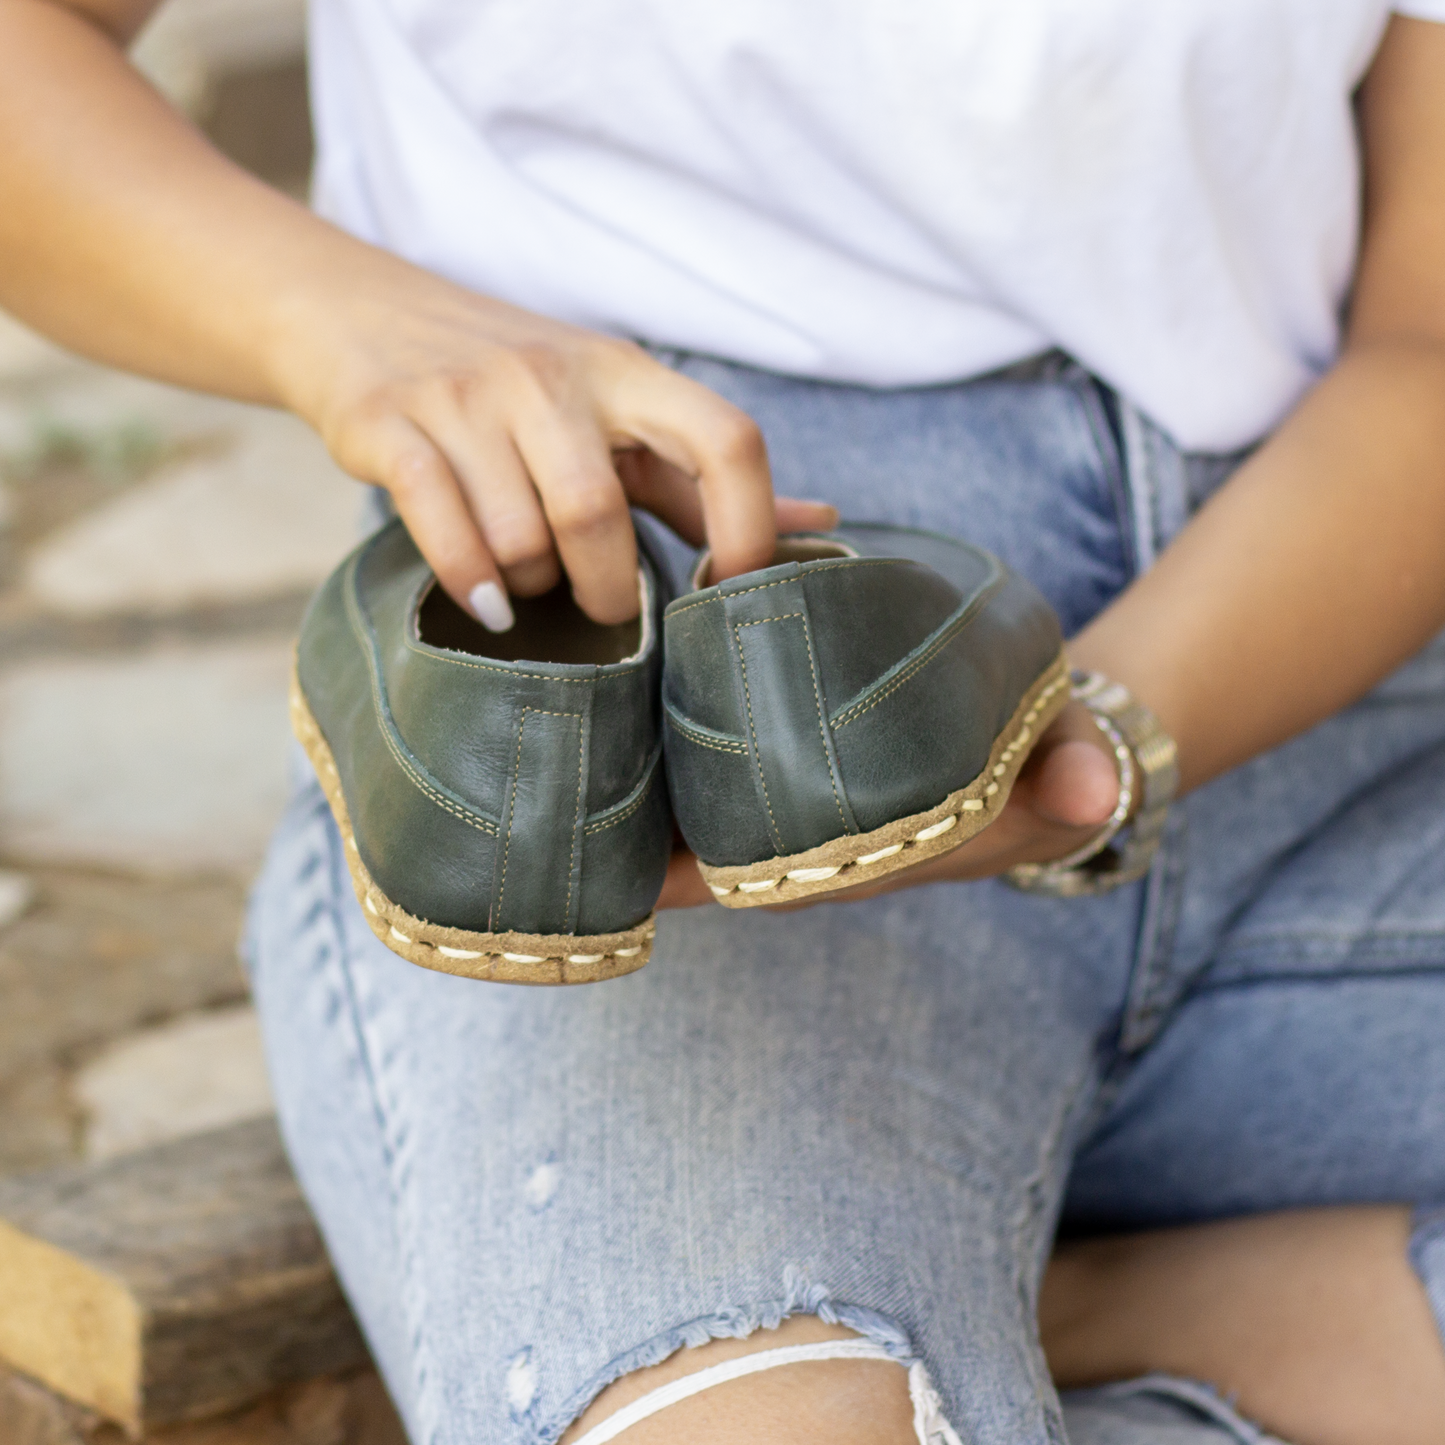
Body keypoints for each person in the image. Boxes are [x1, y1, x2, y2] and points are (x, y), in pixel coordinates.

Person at [3, 1, 1445, 1440]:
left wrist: (1115, 725)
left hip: (1320, 699)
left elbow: (1426, 338)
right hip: (665, 771)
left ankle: (1060, 1317)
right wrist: (348, 321)